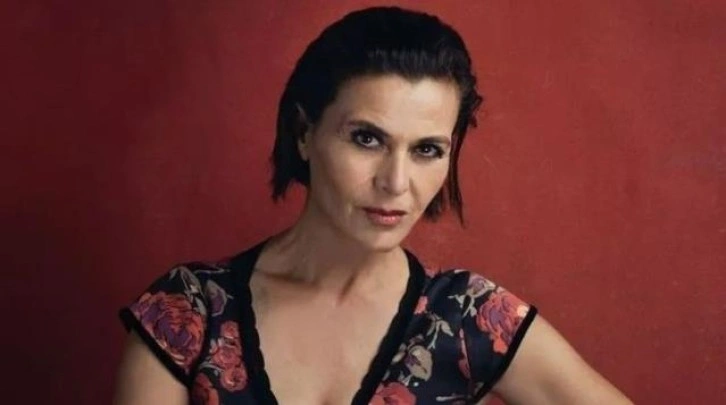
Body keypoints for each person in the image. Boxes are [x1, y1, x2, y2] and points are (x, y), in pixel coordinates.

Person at [113, 6, 633, 405]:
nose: (396, 182)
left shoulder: (467, 317)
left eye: (427, 150)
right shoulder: (190, 311)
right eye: (367, 138)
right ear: (304, 133)